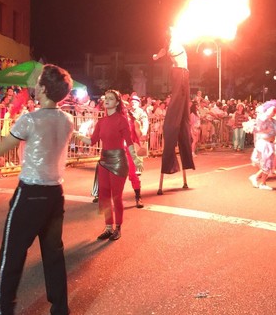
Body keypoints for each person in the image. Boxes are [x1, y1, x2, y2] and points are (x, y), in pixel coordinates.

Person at [0, 64, 75, 315]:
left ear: (43, 88)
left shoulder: (29, 120)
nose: (35, 83)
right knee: (54, 257)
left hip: (30, 193)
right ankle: (60, 314)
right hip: (55, 195)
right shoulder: (67, 120)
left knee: (11, 257)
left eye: (38, 80)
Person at [74, 90, 143, 241]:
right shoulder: (101, 122)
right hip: (104, 161)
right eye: (106, 98)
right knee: (104, 197)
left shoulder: (122, 120)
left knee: (116, 197)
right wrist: (78, 135)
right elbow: (91, 141)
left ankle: (118, 227)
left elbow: (129, 142)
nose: (107, 100)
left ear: (117, 103)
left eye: (111, 99)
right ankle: (108, 227)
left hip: (118, 161)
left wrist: (136, 159)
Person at [152, 29, 195, 193]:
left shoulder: (175, 43)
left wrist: (157, 55)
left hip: (184, 74)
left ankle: (185, 169)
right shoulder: (173, 45)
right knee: (177, 105)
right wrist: (158, 55)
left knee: (184, 113)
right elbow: (165, 49)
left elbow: (163, 49)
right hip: (179, 74)